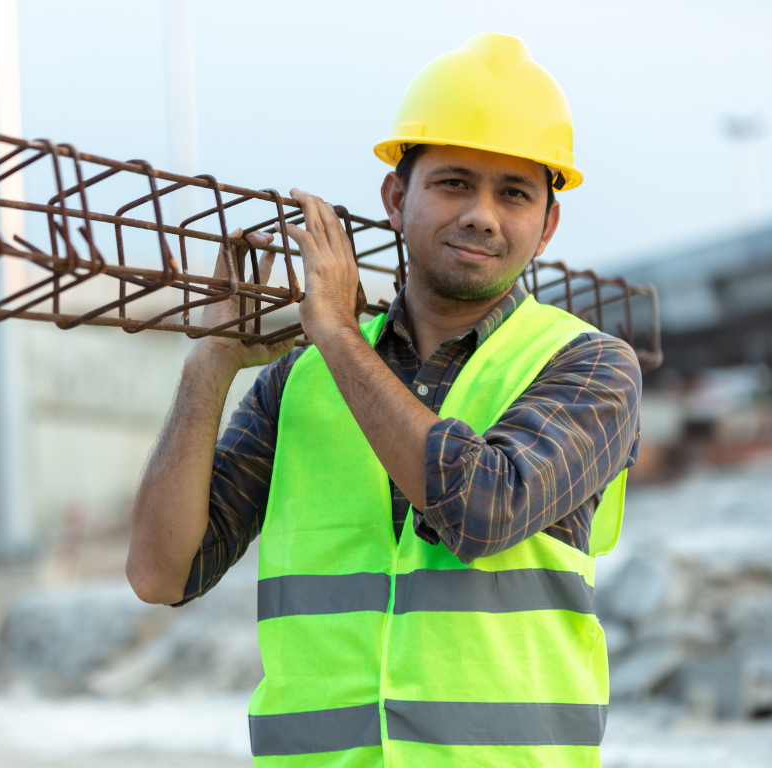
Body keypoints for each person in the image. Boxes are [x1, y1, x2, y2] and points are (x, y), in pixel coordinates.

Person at [127, 31, 641, 767]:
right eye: (453, 183)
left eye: (514, 193)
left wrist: (336, 332)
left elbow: (481, 512)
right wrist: (210, 360)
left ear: (546, 225)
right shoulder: (299, 382)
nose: (482, 215)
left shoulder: (589, 368)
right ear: (397, 200)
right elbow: (160, 573)